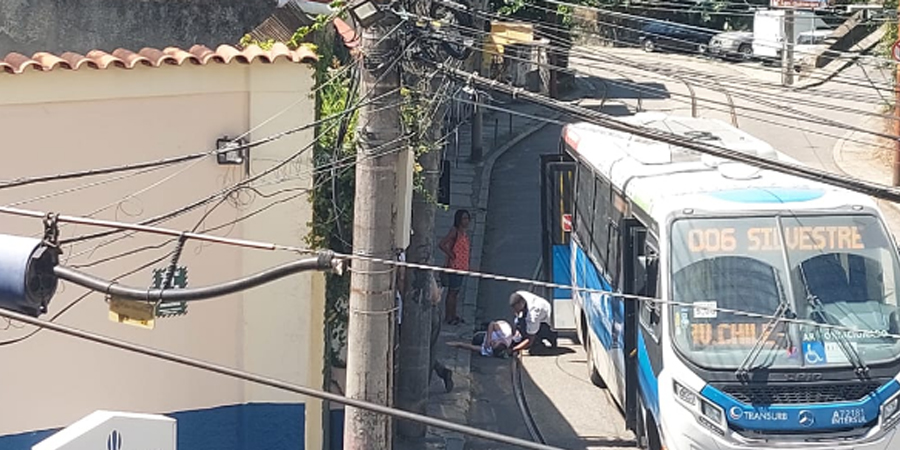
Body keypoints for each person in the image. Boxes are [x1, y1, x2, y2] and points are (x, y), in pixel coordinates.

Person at [439, 209, 471, 325]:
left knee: (456, 292)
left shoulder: (464, 232)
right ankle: (448, 317)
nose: (466, 221)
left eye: (467, 218)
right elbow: (442, 244)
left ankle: (454, 315)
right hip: (454, 267)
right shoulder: (455, 231)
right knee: (452, 292)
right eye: (463, 218)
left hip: (462, 267)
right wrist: (451, 255)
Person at [427, 273, 454, 392]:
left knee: (427, 351)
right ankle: (442, 371)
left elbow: (434, 296)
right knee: (428, 351)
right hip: (431, 310)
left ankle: (423, 386)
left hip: (426, 312)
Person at [509, 290, 558, 355]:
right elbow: (518, 316)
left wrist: (513, 349)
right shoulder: (519, 294)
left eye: (517, 309)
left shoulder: (533, 314)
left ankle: (541, 343)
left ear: (521, 303)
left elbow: (530, 339)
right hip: (540, 315)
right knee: (518, 322)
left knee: (533, 349)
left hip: (547, 324)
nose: (516, 311)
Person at [447, 319, 519, 358]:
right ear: (500, 341)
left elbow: (472, 347)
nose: (491, 343)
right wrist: (488, 338)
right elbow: (492, 324)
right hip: (489, 332)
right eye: (494, 342)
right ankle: (481, 329)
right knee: (482, 330)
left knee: (476, 339)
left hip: (480, 340)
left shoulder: (489, 351)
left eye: (492, 345)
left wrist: (458, 344)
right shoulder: (505, 333)